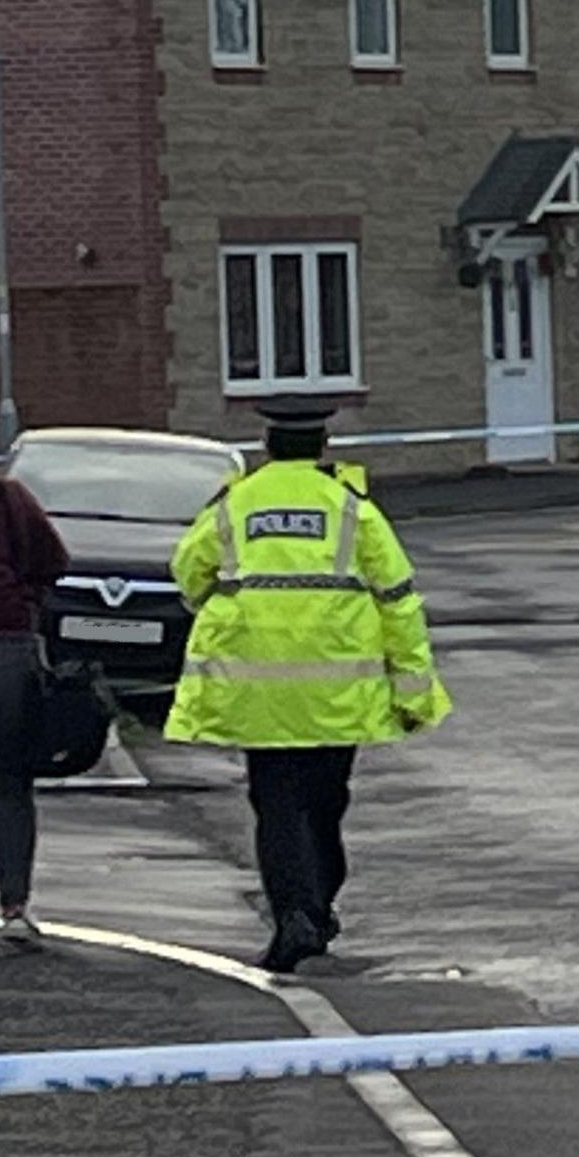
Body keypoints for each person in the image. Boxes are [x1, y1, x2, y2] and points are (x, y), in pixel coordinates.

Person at [165, 404, 447, 973]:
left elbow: (187, 571)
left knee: (275, 807)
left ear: (267, 446)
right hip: (335, 693)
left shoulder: (235, 502)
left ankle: (295, 916)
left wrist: (225, 605)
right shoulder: (352, 508)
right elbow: (398, 600)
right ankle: (316, 909)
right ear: (322, 448)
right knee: (324, 805)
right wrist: (414, 692)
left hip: (258, 691)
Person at [0, 443, 69, 956]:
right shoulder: (9, 499)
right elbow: (52, 560)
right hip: (5, 652)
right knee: (11, 785)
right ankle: (13, 910)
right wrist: (25, 602)